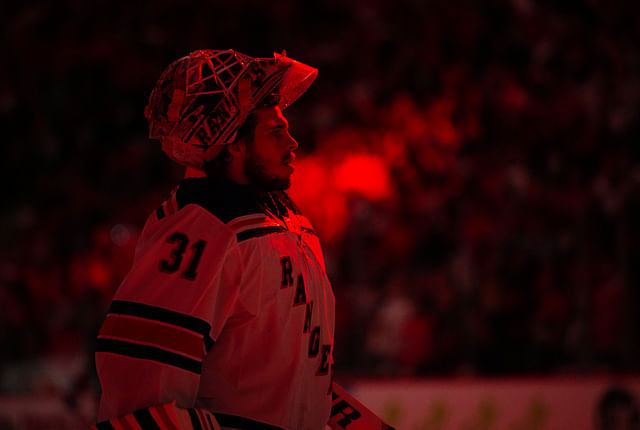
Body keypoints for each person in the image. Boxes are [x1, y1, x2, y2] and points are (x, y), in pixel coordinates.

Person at [93, 49, 335, 430]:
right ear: (233, 143)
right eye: (275, 131)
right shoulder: (202, 232)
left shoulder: (287, 221)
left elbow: (292, 385)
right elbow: (141, 395)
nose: (293, 143)